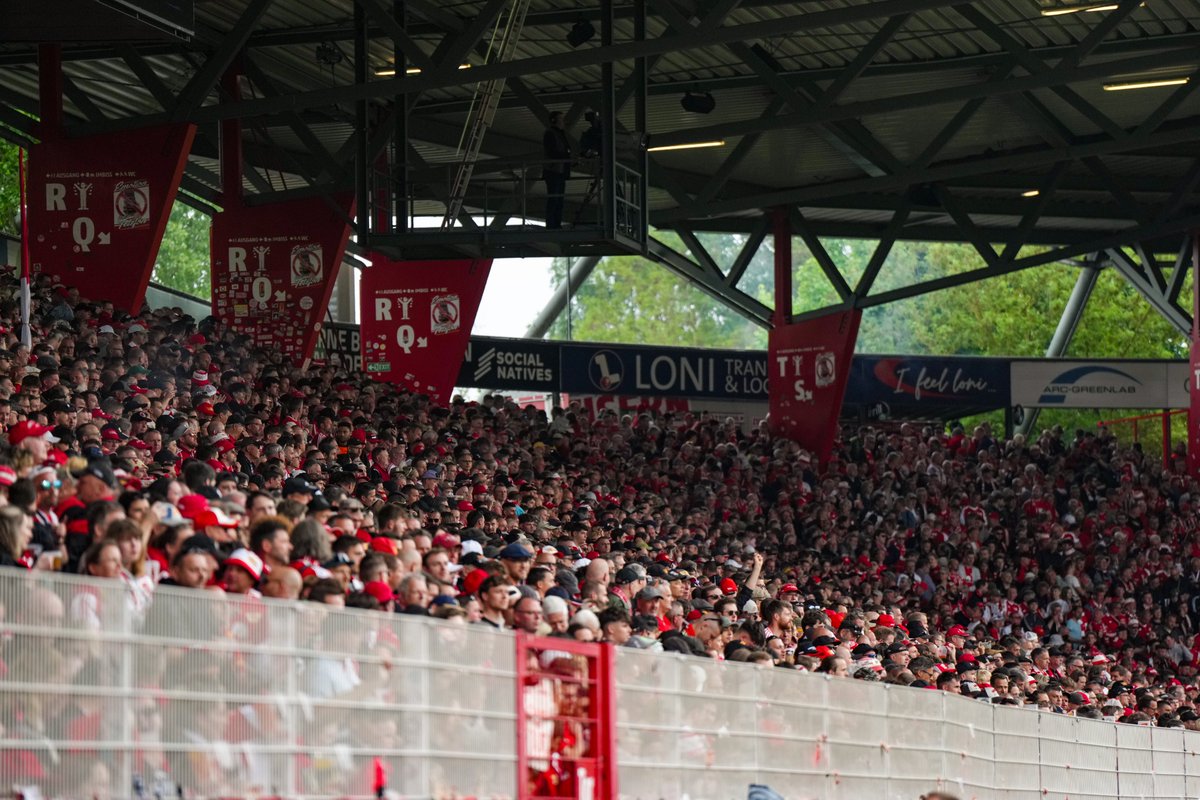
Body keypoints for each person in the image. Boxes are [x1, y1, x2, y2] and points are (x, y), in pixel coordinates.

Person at [542, 111, 571, 229]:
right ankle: (552, 224)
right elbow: (552, 152)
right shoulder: (551, 134)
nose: (563, 121)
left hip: (559, 171)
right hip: (554, 171)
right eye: (561, 119)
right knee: (555, 199)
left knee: (558, 200)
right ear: (554, 120)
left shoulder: (558, 134)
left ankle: (555, 224)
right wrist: (567, 157)